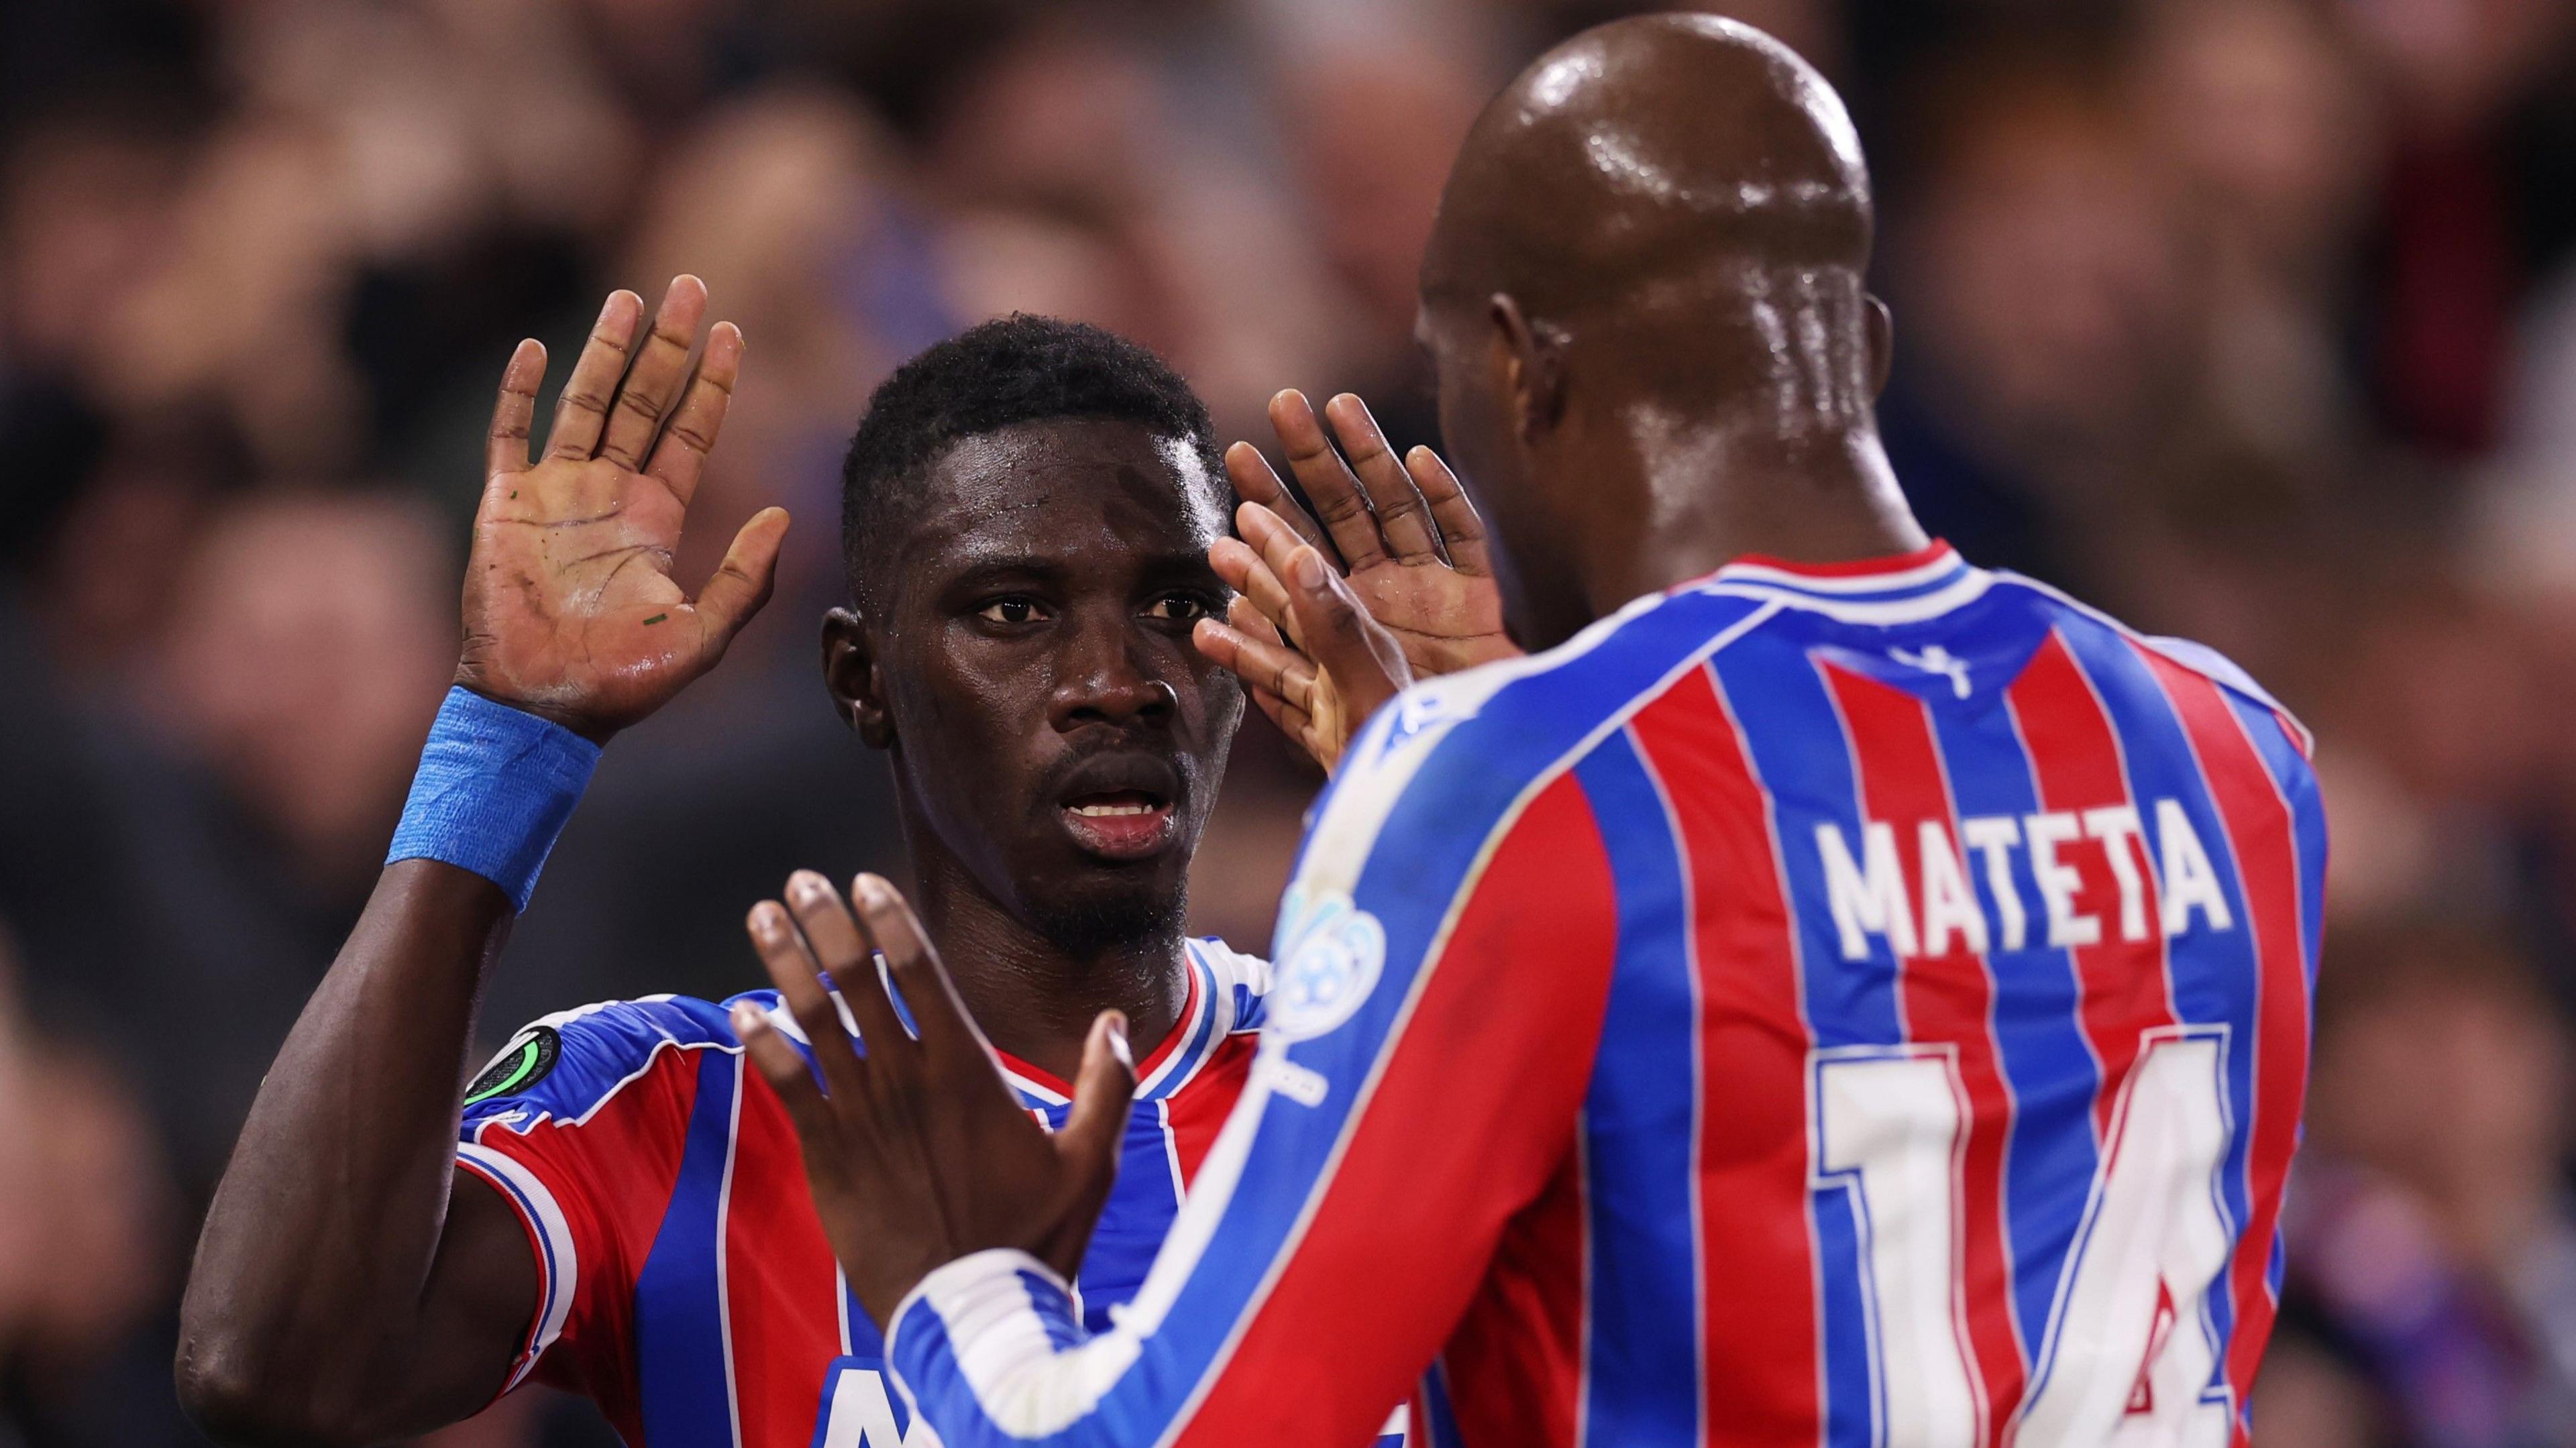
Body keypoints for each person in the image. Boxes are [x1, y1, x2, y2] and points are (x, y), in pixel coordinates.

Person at [727, 16, 2330, 1448]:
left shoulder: (1523, 789)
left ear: (1518, 368)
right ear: (1866, 355)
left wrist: (958, 1290)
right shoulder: (2237, 750)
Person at [172, 280, 1500, 1447]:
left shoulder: (1404, 1073)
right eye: (1015, 612)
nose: (1115, 682)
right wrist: (502, 747)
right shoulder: (674, 1110)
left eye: (1172, 606)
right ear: (863, 682)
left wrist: (1501, 812)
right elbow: (279, 1370)